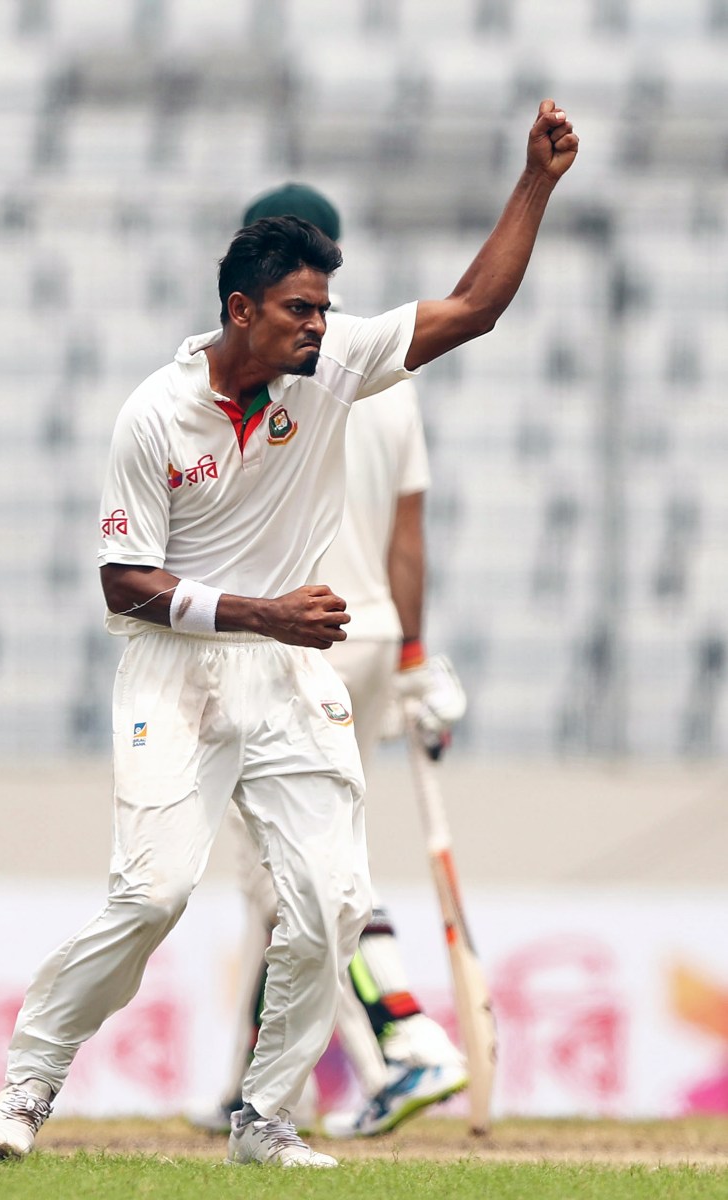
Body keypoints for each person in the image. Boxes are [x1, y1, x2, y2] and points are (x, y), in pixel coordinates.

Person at [0, 100, 578, 1169]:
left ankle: (264, 1119)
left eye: (325, 308)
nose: (318, 326)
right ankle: (26, 1085)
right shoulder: (154, 414)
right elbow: (122, 585)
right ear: (241, 310)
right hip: (179, 674)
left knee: (330, 904)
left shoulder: (333, 364)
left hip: (290, 676)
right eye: (299, 309)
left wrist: (536, 181)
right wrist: (264, 612)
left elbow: (476, 307)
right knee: (152, 895)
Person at [189, 182, 470, 1141]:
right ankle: (262, 1085)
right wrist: (420, 661)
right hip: (376, 635)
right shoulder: (387, 368)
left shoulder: (268, 367)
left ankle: (402, 1041)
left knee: (295, 868)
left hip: (294, 637)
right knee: (289, 867)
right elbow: (410, 533)